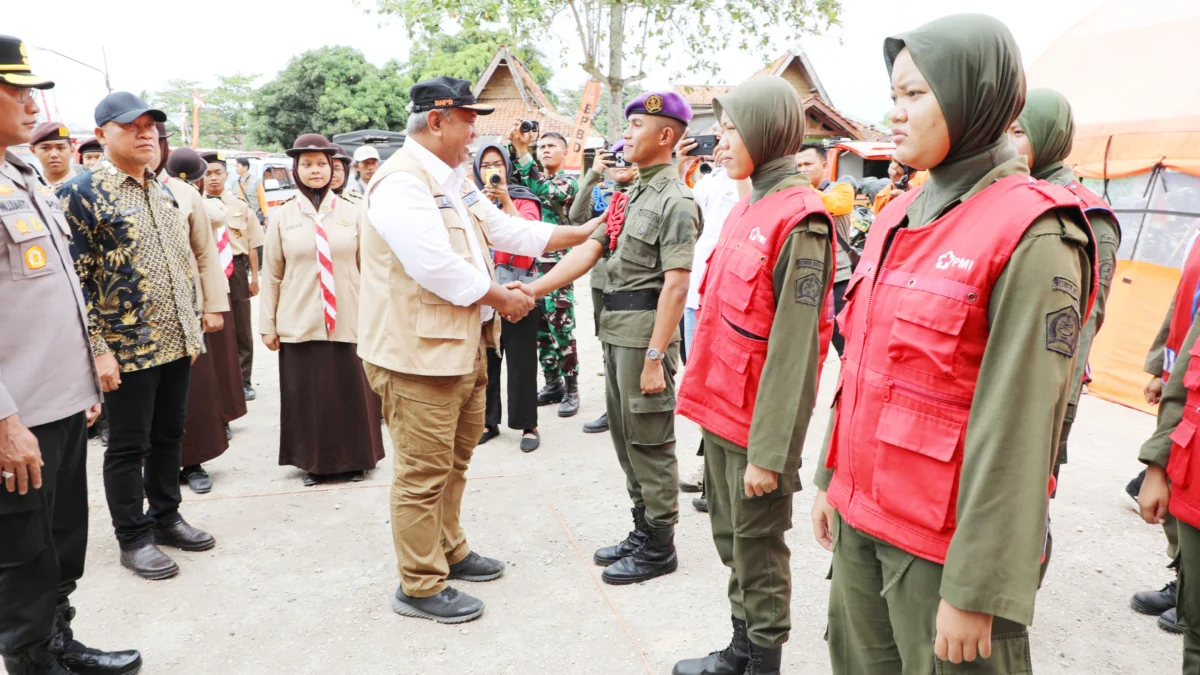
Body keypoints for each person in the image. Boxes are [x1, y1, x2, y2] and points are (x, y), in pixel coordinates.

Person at [810, 15, 1095, 673]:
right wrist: (832, 475)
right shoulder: (892, 219)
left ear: (974, 94)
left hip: (940, 547)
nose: (896, 112)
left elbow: (1020, 427)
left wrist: (977, 584)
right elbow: (863, 369)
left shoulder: (1033, 232)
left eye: (916, 94)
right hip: (862, 521)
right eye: (894, 95)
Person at [359, 76, 602, 623]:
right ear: (438, 120)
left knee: (455, 458)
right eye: (469, 120)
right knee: (423, 472)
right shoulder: (403, 181)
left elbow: (505, 229)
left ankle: (450, 547)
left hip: (461, 343)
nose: (476, 131)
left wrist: (583, 230)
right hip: (416, 354)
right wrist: (507, 299)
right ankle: (419, 584)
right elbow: (435, 268)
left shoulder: (451, 177)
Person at [673, 75, 835, 675]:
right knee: (731, 541)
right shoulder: (748, 205)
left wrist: (770, 452)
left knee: (759, 549)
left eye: (734, 127)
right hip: (721, 409)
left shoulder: (801, 220)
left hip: (754, 427)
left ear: (768, 131)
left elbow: (796, 352)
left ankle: (762, 659)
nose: (720, 140)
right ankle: (741, 647)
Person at [0, 37, 142, 675]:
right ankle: (31, 660)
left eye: (33, 89)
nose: (33, 104)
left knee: (60, 543)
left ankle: (59, 643)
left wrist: (89, 372)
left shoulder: (22, 171)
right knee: (21, 555)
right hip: (15, 414)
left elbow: (63, 288)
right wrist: (3, 422)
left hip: (58, 401)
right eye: (16, 90)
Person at [528, 90, 700, 586]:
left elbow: (676, 284)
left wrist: (653, 356)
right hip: (616, 331)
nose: (624, 136)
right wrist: (531, 290)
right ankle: (641, 529)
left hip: (646, 334)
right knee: (627, 440)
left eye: (634, 128)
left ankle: (660, 545)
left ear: (665, 135)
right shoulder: (632, 194)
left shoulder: (676, 201)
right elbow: (587, 249)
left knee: (650, 439)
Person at [60, 91, 217, 581]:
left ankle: (166, 516)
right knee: (128, 446)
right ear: (103, 133)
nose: (146, 133)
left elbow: (181, 266)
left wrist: (192, 331)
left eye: (151, 125)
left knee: (170, 435)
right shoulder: (80, 193)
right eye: (133, 126)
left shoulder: (163, 189)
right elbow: (76, 283)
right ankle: (134, 536)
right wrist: (99, 352)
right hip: (126, 349)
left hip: (174, 340)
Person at [1008, 90, 1123, 493]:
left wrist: (1056, 411)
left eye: (1018, 132)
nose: (1007, 144)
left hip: (1045, 388)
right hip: (996, 376)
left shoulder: (1090, 216)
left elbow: (1084, 321)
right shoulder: (1006, 198)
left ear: (1048, 136)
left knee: (1025, 502)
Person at [260, 134, 385, 486]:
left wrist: (378, 317)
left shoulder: (355, 211)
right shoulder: (283, 215)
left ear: (333, 168)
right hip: (300, 320)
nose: (314, 170)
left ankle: (357, 458)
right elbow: (271, 273)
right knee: (308, 394)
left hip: (350, 316)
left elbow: (371, 268)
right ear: (296, 170)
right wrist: (267, 324)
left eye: (321, 163)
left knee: (352, 391)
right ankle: (313, 463)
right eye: (306, 164)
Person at [675, 126, 749, 506]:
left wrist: (739, 165)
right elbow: (684, 212)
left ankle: (718, 475)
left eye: (731, 132)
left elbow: (749, 208)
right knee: (701, 381)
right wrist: (681, 165)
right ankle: (709, 467)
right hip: (696, 288)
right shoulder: (711, 176)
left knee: (723, 384)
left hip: (725, 291)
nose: (720, 142)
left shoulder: (747, 176)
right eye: (718, 134)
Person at [159, 144, 231, 496]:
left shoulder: (185, 192)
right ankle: (158, 470)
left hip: (189, 309)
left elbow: (204, 252)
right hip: (140, 319)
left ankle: (194, 461)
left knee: (193, 391)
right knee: (149, 403)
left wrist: (213, 305)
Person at [474, 142, 545, 452]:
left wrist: (505, 201)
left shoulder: (524, 198)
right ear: (477, 169)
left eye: (498, 164)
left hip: (519, 289)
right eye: (487, 165)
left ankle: (528, 424)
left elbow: (531, 237)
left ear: (507, 167)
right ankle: (488, 420)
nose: (493, 170)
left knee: (522, 359)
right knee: (487, 358)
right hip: (483, 290)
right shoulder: (469, 201)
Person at [510, 127, 583, 417]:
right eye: (541, 147)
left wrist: (524, 155)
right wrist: (516, 148)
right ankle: (552, 384)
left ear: (565, 153)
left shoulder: (568, 182)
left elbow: (546, 191)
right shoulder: (529, 179)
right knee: (539, 330)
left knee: (561, 328)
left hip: (557, 267)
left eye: (552, 146)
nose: (545, 150)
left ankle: (572, 386)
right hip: (531, 266)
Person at [569, 141, 640, 436]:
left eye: (627, 157)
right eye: (615, 158)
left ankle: (635, 408)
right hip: (602, 281)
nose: (621, 163)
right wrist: (593, 173)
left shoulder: (644, 192)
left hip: (634, 282)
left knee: (635, 345)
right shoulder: (602, 193)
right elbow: (576, 216)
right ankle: (614, 408)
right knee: (608, 347)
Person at [202, 152, 263, 402]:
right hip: (209, 268)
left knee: (241, 323)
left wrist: (254, 278)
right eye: (208, 173)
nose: (213, 178)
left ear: (226, 175)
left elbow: (252, 245)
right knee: (213, 322)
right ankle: (218, 376)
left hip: (236, 269)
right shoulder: (196, 204)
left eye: (218, 173)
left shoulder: (240, 206)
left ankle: (244, 378)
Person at [795, 143, 856, 357]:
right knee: (804, 350)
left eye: (808, 164)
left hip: (838, 277)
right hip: (805, 278)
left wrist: (800, 186)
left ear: (824, 165)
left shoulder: (842, 189)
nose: (802, 169)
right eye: (798, 165)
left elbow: (830, 204)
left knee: (845, 345)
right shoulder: (795, 193)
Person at [29, 122, 76, 188]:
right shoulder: (29, 186)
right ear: (33, 151)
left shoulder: (86, 185)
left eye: (60, 148)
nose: (54, 155)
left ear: (72, 150)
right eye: (45, 148)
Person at [233, 157, 263, 224]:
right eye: (235, 166)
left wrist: (266, 217)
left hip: (253, 217)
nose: (236, 169)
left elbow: (262, 200)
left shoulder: (256, 181)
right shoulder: (234, 183)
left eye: (237, 166)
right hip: (239, 218)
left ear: (245, 167)